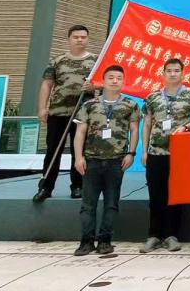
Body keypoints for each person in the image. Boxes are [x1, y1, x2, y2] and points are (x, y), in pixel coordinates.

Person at [71, 65, 139, 256]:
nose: (115, 81)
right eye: (111, 77)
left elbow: (134, 130)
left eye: (119, 78)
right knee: (88, 205)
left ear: (123, 81)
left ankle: (105, 241)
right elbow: (80, 132)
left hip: (116, 161)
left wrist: (131, 153)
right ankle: (86, 241)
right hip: (91, 160)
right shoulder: (89, 105)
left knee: (111, 203)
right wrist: (78, 157)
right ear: (103, 80)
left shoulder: (130, 105)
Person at [139, 58, 190, 253]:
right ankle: (153, 235)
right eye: (169, 70)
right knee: (155, 196)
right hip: (156, 153)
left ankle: (171, 235)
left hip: (180, 154)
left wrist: (186, 127)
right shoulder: (152, 97)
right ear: (163, 73)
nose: (173, 74)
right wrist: (144, 151)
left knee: (175, 196)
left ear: (183, 73)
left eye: (176, 70)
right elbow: (147, 125)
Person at [35, 24, 97, 203]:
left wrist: (95, 86)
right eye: (76, 37)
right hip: (58, 112)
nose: (79, 40)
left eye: (83, 37)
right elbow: (47, 84)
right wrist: (42, 108)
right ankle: (46, 187)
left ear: (87, 39)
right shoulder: (57, 61)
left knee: (80, 151)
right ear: (69, 39)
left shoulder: (96, 61)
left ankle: (78, 186)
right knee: (53, 150)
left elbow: (105, 83)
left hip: (83, 115)